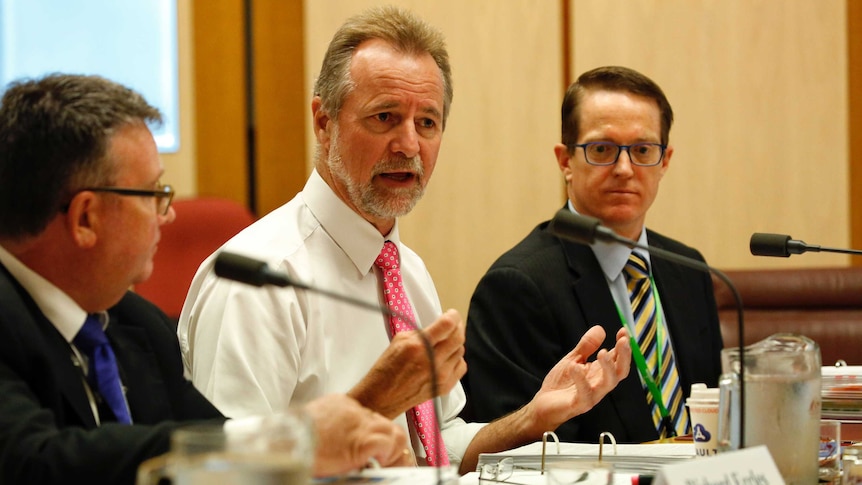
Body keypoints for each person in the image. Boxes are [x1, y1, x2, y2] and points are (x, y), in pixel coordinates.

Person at [178, 5, 631, 476]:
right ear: (323, 121)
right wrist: (370, 403)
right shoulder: (258, 280)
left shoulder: (404, 269)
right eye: (385, 117)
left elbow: (438, 448)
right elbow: (225, 472)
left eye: (427, 123)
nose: (409, 145)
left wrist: (532, 416)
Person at [0, 73, 411, 484]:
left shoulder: (135, 325)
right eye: (153, 193)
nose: (168, 213)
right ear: (85, 218)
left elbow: (212, 452)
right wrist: (291, 439)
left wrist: (344, 452)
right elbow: (36, 463)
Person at [462, 66, 724, 444]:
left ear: (664, 161)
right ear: (565, 161)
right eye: (602, 149)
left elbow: (715, 411)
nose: (623, 169)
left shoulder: (688, 269)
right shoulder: (517, 285)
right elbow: (519, 455)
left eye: (642, 150)